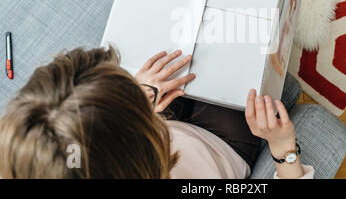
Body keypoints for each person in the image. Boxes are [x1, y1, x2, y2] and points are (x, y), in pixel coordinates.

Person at [0, 47, 314, 179]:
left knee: (184, 47)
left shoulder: (29, 156)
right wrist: (283, 148)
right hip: (222, 147)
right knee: (238, 53)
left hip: (160, 131)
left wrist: (137, 91)